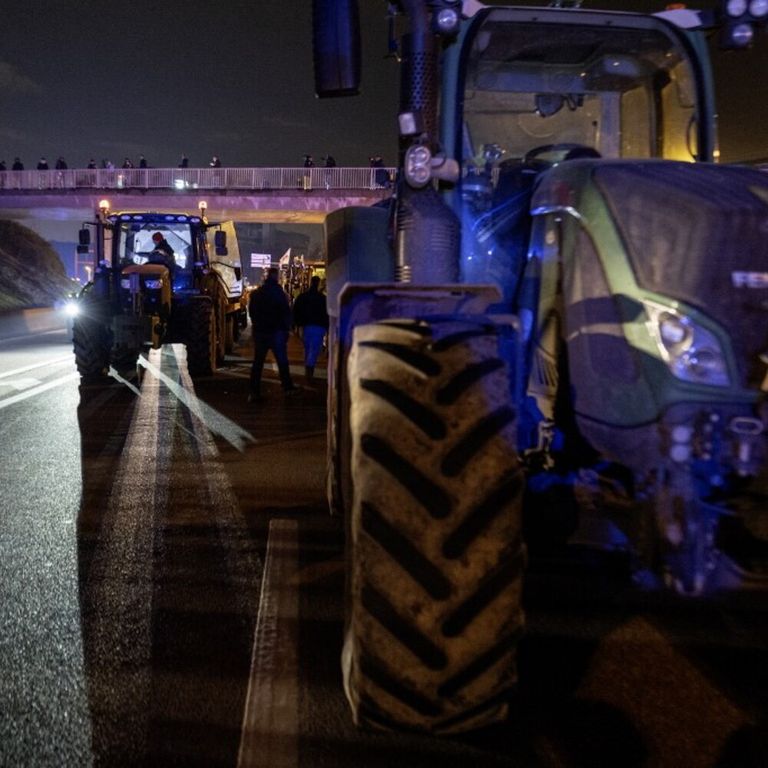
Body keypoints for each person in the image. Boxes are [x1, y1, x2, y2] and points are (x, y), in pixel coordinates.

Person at [248, 267, 297, 401]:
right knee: (282, 361)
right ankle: (287, 388)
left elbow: (252, 312)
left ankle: (254, 391)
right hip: (277, 332)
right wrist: (287, 329)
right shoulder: (280, 293)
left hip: (261, 332)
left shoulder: (257, 293)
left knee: (258, 362)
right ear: (276, 277)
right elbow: (286, 312)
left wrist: (257, 325)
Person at [292, 275, 329, 382]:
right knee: (314, 349)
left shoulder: (303, 296)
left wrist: (297, 324)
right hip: (319, 326)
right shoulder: (323, 298)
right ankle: (309, 370)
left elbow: (296, 310)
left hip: (306, 326)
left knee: (308, 348)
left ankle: (308, 369)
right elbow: (327, 313)